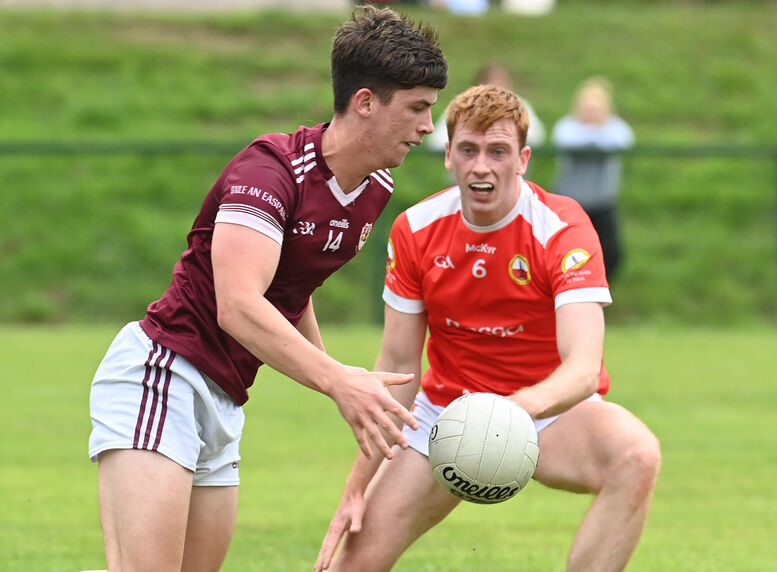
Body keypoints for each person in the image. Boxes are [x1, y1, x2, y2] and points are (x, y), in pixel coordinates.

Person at [87, 6, 448, 572]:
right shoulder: (270, 172)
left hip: (225, 397)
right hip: (164, 375)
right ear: (365, 102)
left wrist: (335, 374)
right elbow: (238, 305)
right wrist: (337, 382)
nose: (428, 126)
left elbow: (291, 288)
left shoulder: (373, 189)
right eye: (417, 108)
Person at [315, 84, 660, 572]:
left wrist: (509, 413)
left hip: (548, 410)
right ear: (448, 156)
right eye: (468, 150)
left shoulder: (562, 228)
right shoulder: (415, 229)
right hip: (445, 416)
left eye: (498, 151)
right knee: (352, 564)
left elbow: (583, 369)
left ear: (522, 159)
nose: (482, 166)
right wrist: (356, 486)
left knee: (636, 455)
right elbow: (397, 366)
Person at [552, 76, 634, 282]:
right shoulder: (567, 126)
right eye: (588, 108)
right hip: (570, 202)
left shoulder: (615, 127)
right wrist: (595, 139)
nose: (592, 113)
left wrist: (595, 137)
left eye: (597, 108)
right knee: (564, 249)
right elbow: (566, 141)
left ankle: (601, 286)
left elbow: (623, 140)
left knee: (611, 252)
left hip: (602, 202)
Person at [425, 62, 546, 153]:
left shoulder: (520, 106)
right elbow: (437, 142)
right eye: (491, 83)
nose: (497, 89)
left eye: (501, 82)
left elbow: (536, 137)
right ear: (478, 85)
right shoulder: (461, 107)